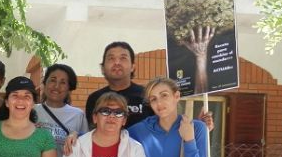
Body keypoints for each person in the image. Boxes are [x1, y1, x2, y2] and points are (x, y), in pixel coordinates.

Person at [85, 42, 214, 131]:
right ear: (103, 68)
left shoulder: (148, 95)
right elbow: (91, 134)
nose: (117, 62)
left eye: (123, 58)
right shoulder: (94, 99)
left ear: (133, 67)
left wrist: (198, 127)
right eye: (111, 58)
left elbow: (169, 126)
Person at [34, 63, 89, 157]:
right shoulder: (32, 111)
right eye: (53, 80)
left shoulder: (78, 115)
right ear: (44, 83)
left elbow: (85, 148)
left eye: (63, 82)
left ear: (69, 88)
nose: (56, 86)